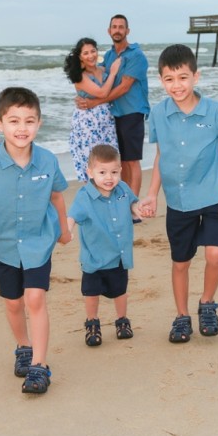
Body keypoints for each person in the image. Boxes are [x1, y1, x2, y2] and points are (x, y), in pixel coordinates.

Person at [0, 85, 70, 398]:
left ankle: (39, 365)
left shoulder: (47, 161)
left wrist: (64, 228)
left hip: (38, 242)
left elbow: (58, 196)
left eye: (29, 121)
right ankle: (23, 345)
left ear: (39, 123)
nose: (22, 128)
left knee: (35, 299)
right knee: (12, 303)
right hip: (3, 246)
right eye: (14, 121)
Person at [139, 45, 218, 343]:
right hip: (179, 199)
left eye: (183, 77)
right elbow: (161, 155)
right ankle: (182, 316)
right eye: (169, 79)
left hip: (212, 195)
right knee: (180, 262)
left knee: (214, 254)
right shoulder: (159, 114)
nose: (177, 85)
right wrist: (152, 194)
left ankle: (207, 303)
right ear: (161, 80)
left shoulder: (215, 111)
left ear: (195, 77)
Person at [68, 146, 136, 346]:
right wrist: (68, 228)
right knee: (91, 293)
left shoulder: (123, 189)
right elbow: (73, 215)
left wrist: (138, 209)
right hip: (94, 257)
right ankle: (92, 323)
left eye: (114, 172)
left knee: (120, 290)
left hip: (118, 255)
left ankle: (122, 320)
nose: (109, 178)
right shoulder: (84, 196)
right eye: (102, 172)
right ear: (90, 172)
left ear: (120, 170)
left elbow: (133, 204)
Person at [102, 15, 151, 210]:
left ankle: (134, 206)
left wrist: (96, 101)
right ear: (109, 31)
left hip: (133, 112)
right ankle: (124, 203)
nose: (117, 30)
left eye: (121, 27)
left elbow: (124, 87)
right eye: (114, 27)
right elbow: (103, 80)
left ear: (127, 31)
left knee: (132, 161)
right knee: (120, 161)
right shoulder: (108, 56)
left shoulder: (136, 55)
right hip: (115, 114)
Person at [63, 37, 126, 183]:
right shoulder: (80, 76)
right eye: (85, 53)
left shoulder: (103, 69)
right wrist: (113, 73)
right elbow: (102, 93)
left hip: (106, 123)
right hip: (87, 124)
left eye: (93, 51)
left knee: (109, 159)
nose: (90, 55)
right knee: (92, 161)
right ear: (80, 57)